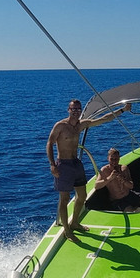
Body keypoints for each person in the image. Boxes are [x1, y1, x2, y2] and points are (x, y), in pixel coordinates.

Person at [47, 98, 130, 241]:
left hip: (76, 163)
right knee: (64, 198)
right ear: (68, 110)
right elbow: (49, 143)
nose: (76, 112)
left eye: (78, 109)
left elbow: (105, 119)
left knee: (82, 196)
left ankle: (74, 223)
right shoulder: (60, 126)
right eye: (73, 109)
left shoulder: (81, 125)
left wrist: (123, 110)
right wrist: (52, 164)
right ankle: (67, 230)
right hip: (64, 165)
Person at [95, 148, 140, 212]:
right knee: (132, 213)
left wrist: (123, 180)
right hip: (117, 200)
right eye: (112, 159)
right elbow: (97, 186)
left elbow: (131, 186)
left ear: (119, 158)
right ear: (108, 158)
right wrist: (109, 178)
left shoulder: (124, 168)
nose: (114, 162)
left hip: (130, 195)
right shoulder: (104, 170)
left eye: (116, 159)